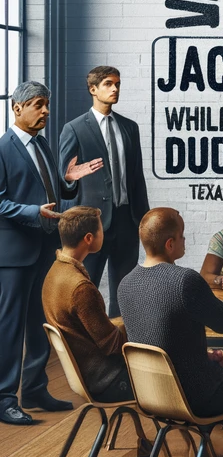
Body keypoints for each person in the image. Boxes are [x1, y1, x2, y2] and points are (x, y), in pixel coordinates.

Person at [118, 208, 223, 457]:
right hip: (196, 393)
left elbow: (157, 339)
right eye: (182, 235)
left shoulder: (125, 283)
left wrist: (204, 356)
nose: (186, 240)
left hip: (153, 394)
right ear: (170, 243)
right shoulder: (184, 280)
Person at [0, 80, 102, 424]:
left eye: (47, 105)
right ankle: (4, 399)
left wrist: (70, 180)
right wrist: (32, 213)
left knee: (41, 322)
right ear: (18, 108)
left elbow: (54, 189)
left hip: (45, 247)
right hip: (14, 255)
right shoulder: (2, 148)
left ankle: (34, 389)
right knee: (11, 327)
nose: (46, 111)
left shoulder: (42, 144)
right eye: (39, 105)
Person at [59, 66, 149, 318]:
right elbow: (64, 181)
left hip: (127, 222)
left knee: (125, 292)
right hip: (92, 225)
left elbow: (137, 179)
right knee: (85, 289)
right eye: (108, 84)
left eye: (118, 84)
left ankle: (121, 347)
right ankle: (86, 347)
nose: (115, 89)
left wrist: (144, 220)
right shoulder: (74, 129)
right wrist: (69, 179)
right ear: (93, 89)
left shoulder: (130, 128)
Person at [42, 206, 131, 403]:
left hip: (87, 376)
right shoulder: (80, 288)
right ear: (89, 238)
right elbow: (112, 345)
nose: (104, 235)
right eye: (102, 231)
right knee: (174, 375)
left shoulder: (55, 272)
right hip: (108, 380)